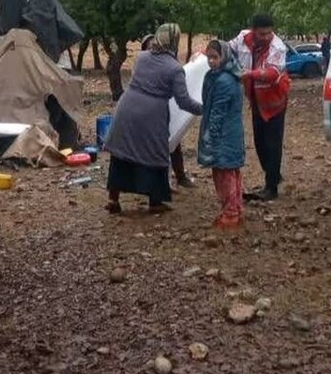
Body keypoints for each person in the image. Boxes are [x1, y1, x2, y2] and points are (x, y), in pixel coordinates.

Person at [104, 24, 202, 214]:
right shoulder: (175, 69)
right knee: (154, 154)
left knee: (122, 153)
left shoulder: (141, 58)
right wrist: (203, 109)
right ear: (174, 40)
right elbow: (183, 102)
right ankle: (155, 202)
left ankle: (113, 200)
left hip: (127, 107)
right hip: (151, 114)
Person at [227, 13, 291, 201]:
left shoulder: (277, 46)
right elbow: (227, 48)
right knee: (259, 143)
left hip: (274, 101)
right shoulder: (242, 38)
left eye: (269, 33)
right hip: (256, 99)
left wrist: (249, 74)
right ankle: (273, 174)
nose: (266, 37)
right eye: (262, 34)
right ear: (253, 30)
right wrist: (206, 52)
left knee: (273, 143)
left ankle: (271, 188)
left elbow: (272, 73)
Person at [197, 40, 246, 229]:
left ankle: (230, 215)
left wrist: (211, 136)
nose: (211, 61)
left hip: (224, 134)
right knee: (231, 172)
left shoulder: (223, 80)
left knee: (223, 173)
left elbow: (218, 111)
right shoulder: (224, 75)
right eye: (209, 57)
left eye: (215, 57)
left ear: (223, 57)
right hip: (230, 133)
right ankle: (236, 210)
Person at [140, 33, 196, 190]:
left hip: (167, 108)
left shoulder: (168, 63)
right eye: (148, 47)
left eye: (154, 46)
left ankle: (179, 176)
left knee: (174, 142)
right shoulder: (143, 64)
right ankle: (159, 182)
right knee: (154, 147)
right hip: (150, 111)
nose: (152, 49)